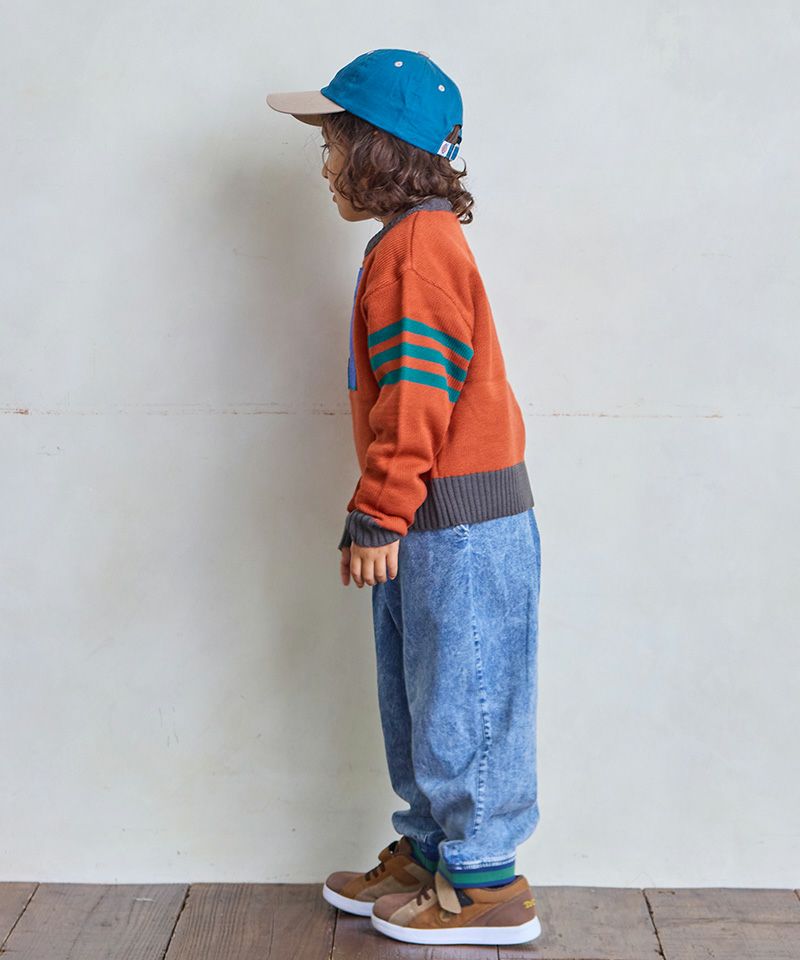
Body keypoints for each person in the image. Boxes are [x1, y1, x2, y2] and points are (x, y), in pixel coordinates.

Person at [266, 48, 542, 947]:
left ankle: (489, 884)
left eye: (334, 144)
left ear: (379, 150)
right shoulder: (407, 243)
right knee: (422, 696)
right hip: (433, 515)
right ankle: (430, 853)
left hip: (459, 524)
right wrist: (391, 511)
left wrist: (379, 510)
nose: (326, 167)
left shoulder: (418, 251)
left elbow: (420, 394)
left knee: (466, 699)